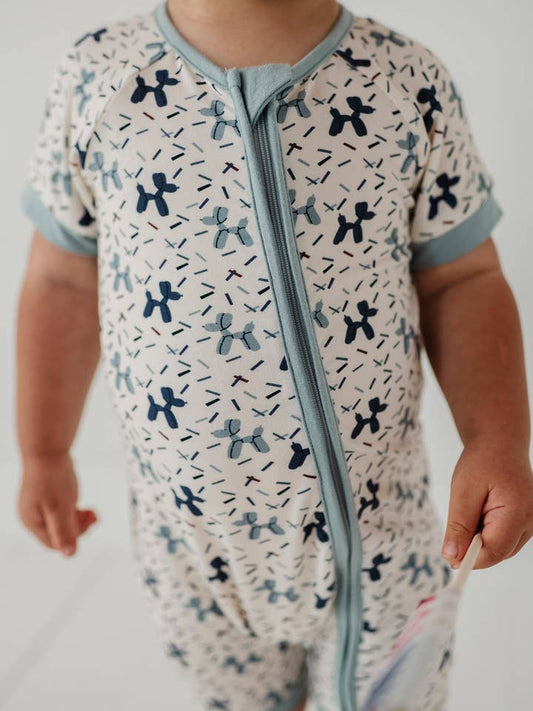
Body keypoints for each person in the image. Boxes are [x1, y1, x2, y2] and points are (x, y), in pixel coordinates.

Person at [15, 1, 533, 709]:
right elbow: (61, 282)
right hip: (190, 545)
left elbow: (462, 279)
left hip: (380, 531)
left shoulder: (404, 81)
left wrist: (497, 436)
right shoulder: (97, 77)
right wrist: (44, 450)